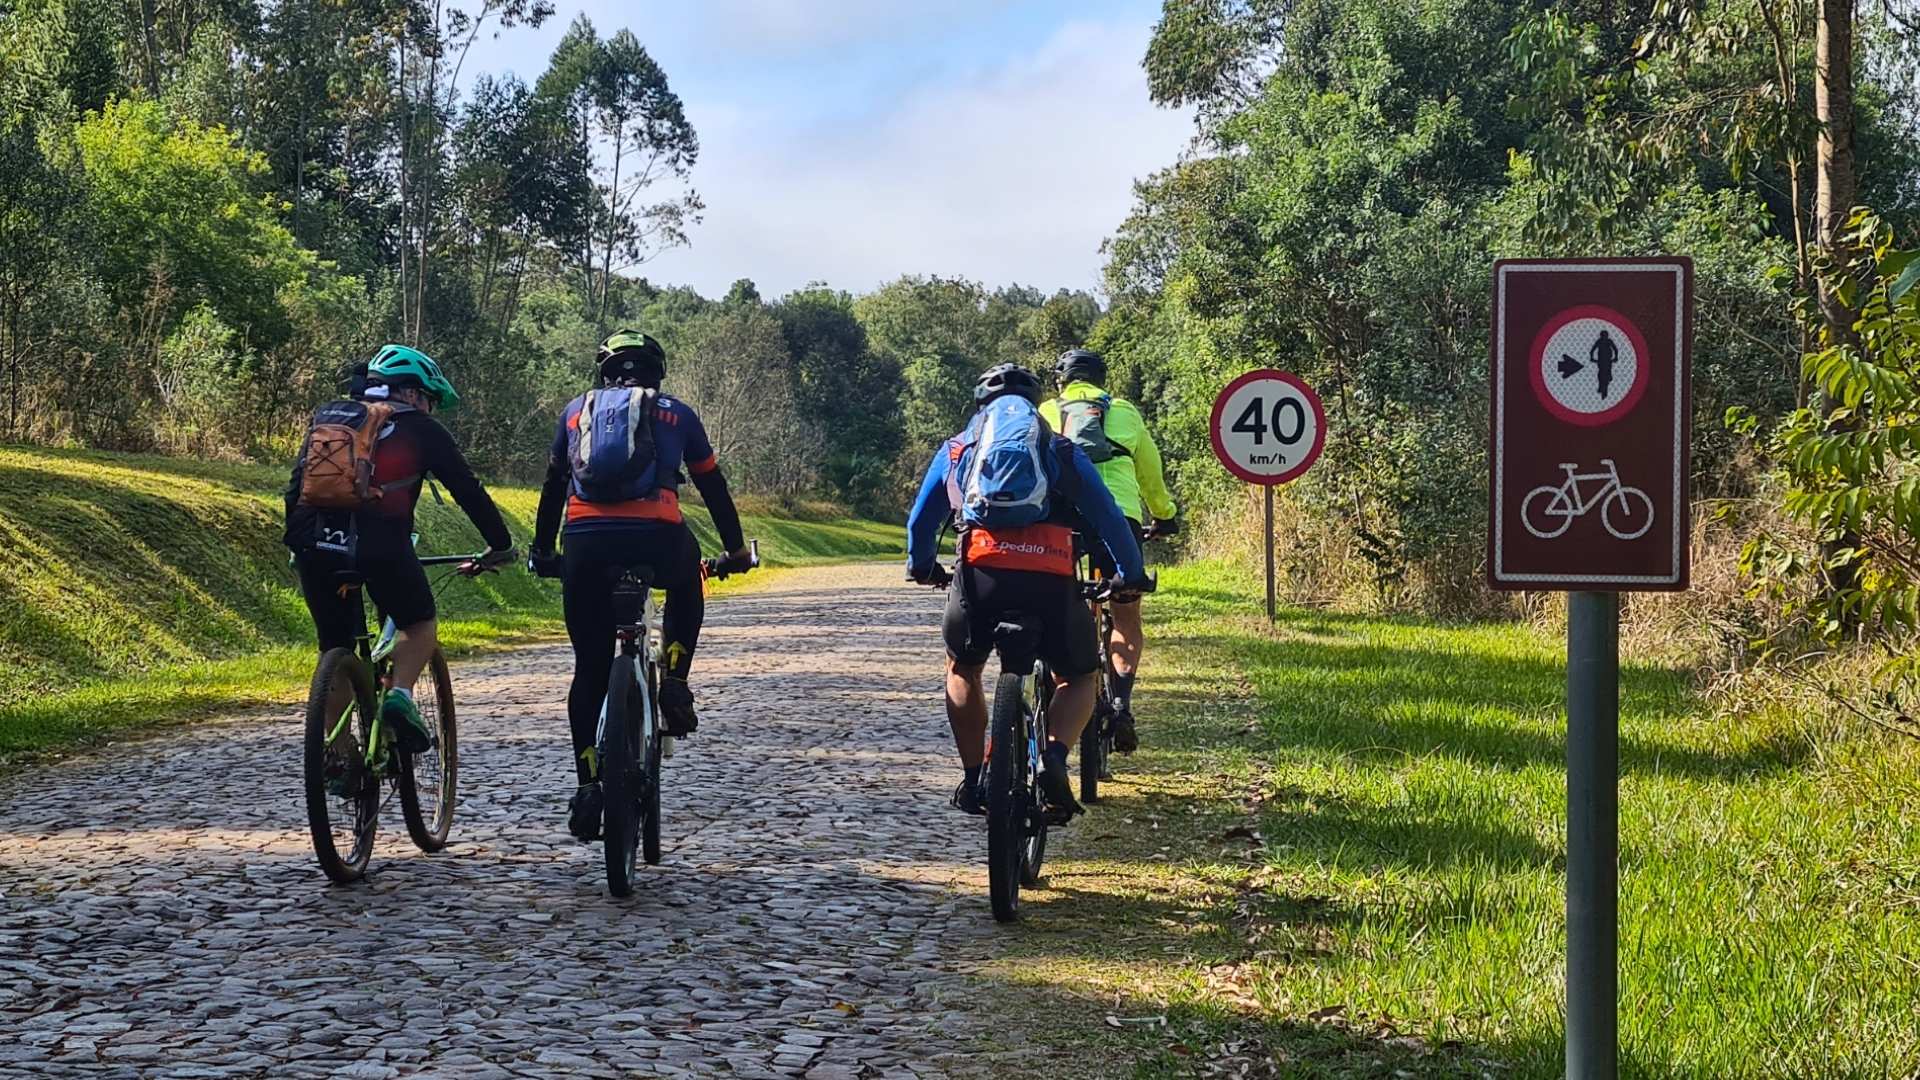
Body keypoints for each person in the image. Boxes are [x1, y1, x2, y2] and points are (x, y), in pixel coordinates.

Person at [528, 330, 753, 842]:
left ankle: (588, 783)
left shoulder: (573, 412)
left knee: (589, 668)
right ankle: (674, 677)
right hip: (658, 536)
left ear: (603, 373)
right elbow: (713, 485)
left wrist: (545, 552)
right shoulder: (677, 413)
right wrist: (736, 550)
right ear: (657, 371)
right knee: (687, 580)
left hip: (585, 542)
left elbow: (552, 485)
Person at [906, 363, 1145, 819]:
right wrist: (1127, 573)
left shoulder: (958, 450)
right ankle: (1054, 757)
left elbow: (921, 521)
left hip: (980, 576)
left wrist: (921, 568)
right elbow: (1109, 517)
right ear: (1037, 408)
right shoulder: (1058, 448)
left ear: (980, 408)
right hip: (1050, 578)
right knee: (1079, 676)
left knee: (962, 668)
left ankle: (975, 777)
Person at [285, 344, 514, 753]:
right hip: (380, 545)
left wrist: (299, 545)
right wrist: (500, 543)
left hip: (315, 543)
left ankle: (340, 759)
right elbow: (468, 491)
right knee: (419, 622)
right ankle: (400, 696)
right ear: (410, 393)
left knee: (333, 647)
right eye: (427, 398)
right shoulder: (420, 428)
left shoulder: (330, 419)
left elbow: (296, 487)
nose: (428, 408)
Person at [1040, 348, 1178, 754]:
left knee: (1059, 609)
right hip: (1120, 519)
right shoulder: (1123, 411)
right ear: (1102, 379)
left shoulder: (1047, 410)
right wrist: (1164, 515)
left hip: (1063, 521)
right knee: (1126, 614)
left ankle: (1061, 694)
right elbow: (1150, 472)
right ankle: (1120, 705)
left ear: (1061, 382)